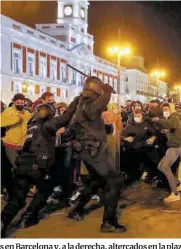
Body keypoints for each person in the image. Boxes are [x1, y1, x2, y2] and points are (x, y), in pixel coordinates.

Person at [1, 100, 78, 237]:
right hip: (38, 166)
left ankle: (3, 222)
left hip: (23, 164)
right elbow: (66, 117)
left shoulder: (31, 125)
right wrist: (77, 100)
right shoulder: (47, 125)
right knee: (46, 188)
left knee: (17, 197)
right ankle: (29, 216)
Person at [67, 76, 126, 233]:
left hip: (89, 148)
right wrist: (106, 93)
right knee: (113, 182)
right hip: (93, 150)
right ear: (96, 88)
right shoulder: (87, 100)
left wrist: (103, 129)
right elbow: (92, 112)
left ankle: (76, 209)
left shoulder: (82, 101)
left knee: (95, 181)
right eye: (101, 89)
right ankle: (108, 222)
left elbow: (88, 123)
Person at [1, 94, 32, 199]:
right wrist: (16, 118)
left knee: (20, 169)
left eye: (21, 103)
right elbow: (1, 122)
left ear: (24, 102)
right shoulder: (8, 111)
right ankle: (11, 192)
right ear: (14, 102)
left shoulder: (26, 112)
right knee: (15, 168)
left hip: (22, 145)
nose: (20, 104)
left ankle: (15, 191)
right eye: (17, 103)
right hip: (10, 144)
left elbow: (31, 123)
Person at [152, 103, 181, 202]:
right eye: (163, 110)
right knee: (160, 166)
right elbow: (174, 129)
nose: (165, 111)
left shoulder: (174, 117)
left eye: (166, 109)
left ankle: (175, 193)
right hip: (173, 147)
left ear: (171, 109)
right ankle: (178, 184)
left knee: (165, 167)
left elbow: (171, 124)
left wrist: (158, 120)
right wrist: (167, 132)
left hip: (175, 147)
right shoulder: (173, 118)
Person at [121, 110, 159, 183]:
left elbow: (154, 133)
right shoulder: (129, 126)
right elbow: (121, 136)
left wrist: (153, 138)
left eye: (138, 116)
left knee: (153, 158)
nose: (137, 118)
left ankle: (149, 175)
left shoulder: (146, 125)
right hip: (133, 148)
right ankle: (134, 177)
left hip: (145, 147)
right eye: (135, 116)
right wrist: (126, 138)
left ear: (142, 117)